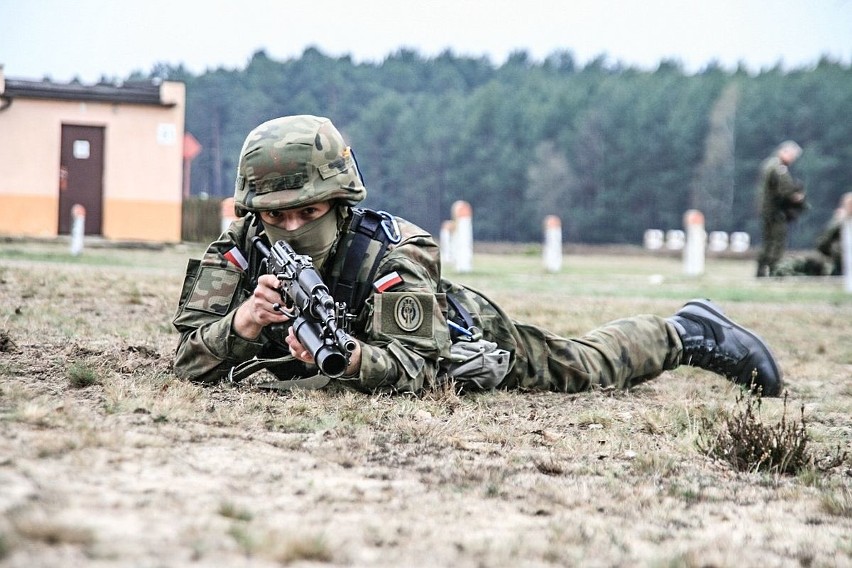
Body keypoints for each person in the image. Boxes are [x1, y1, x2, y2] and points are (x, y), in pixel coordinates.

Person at [172, 115, 783, 398]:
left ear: (339, 202)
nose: (291, 227)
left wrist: (353, 359)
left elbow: (419, 367)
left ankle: (683, 332)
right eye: (277, 216)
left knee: (578, 367)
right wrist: (243, 325)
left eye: (309, 213)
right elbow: (188, 361)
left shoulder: (393, 255)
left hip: (461, 334)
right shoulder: (240, 251)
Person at [755, 140, 807, 277]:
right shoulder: (779, 168)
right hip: (775, 211)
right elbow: (785, 192)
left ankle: (761, 270)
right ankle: (774, 270)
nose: (792, 159)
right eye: (792, 156)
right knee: (777, 241)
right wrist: (797, 198)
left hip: (766, 209)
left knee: (767, 241)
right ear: (784, 152)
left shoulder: (768, 164)